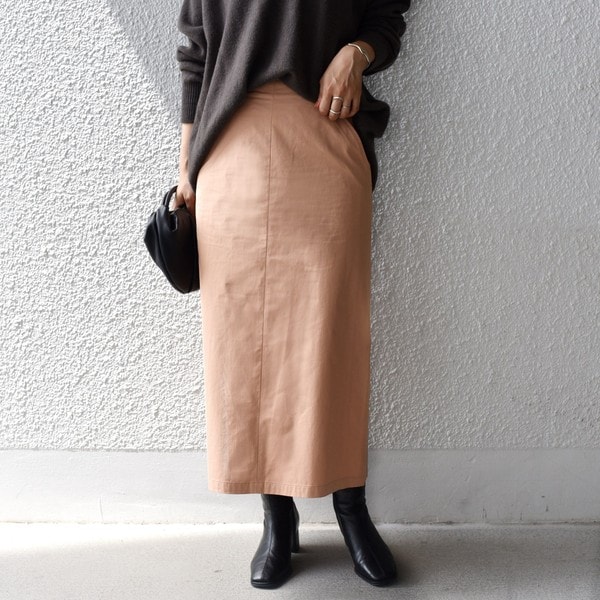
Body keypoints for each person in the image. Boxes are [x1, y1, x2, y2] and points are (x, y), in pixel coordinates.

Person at [173, 0, 410, 590]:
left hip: (325, 130)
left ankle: (350, 508)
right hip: (231, 146)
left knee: (333, 336)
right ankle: (277, 518)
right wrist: (185, 168)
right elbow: (195, 53)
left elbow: (387, 16)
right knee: (245, 341)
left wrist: (356, 55)